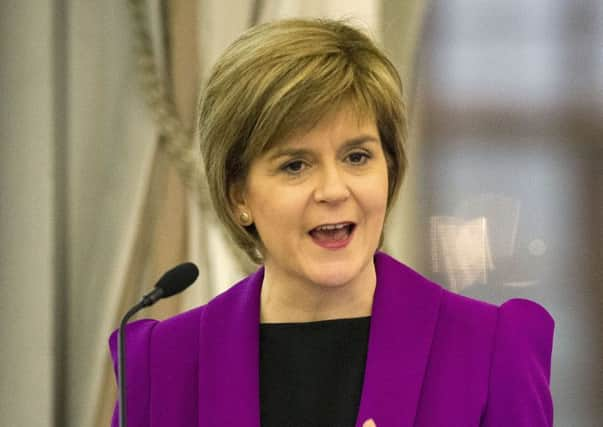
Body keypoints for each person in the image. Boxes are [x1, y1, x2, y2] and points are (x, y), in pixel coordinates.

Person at [109, 18, 554, 427]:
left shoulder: (489, 350)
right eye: (295, 165)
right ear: (238, 195)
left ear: (391, 169)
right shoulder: (162, 364)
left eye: (356, 156)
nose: (334, 190)